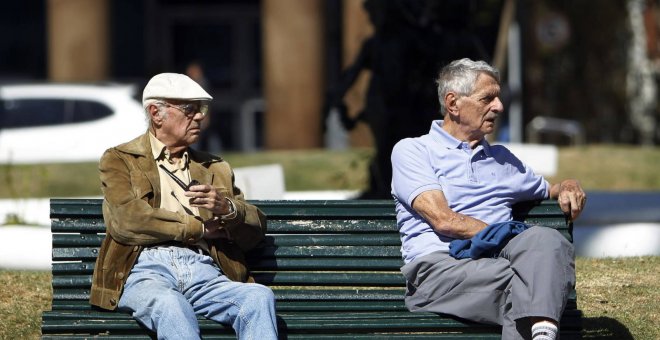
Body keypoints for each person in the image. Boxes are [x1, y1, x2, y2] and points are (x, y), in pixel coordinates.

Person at [390, 59, 586, 340]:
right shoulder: (413, 151)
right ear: (453, 103)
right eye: (487, 98)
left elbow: (549, 189)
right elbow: (444, 220)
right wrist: (507, 232)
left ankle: (543, 334)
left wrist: (568, 185)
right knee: (529, 283)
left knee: (549, 240)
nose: (499, 107)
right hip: (440, 270)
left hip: (496, 265)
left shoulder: (503, 161)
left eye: (498, 98)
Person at [89, 73, 278, 340]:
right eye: (190, 110)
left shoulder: (215, 167)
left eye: (201, 110)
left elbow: (255, 232)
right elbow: (126, 220)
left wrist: (228, 209)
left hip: (205, 270)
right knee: (170, 304)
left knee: (258, 297)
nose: (200, 117)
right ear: (156, 113)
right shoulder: (120, 160)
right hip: (145, 269)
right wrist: (198, 228)